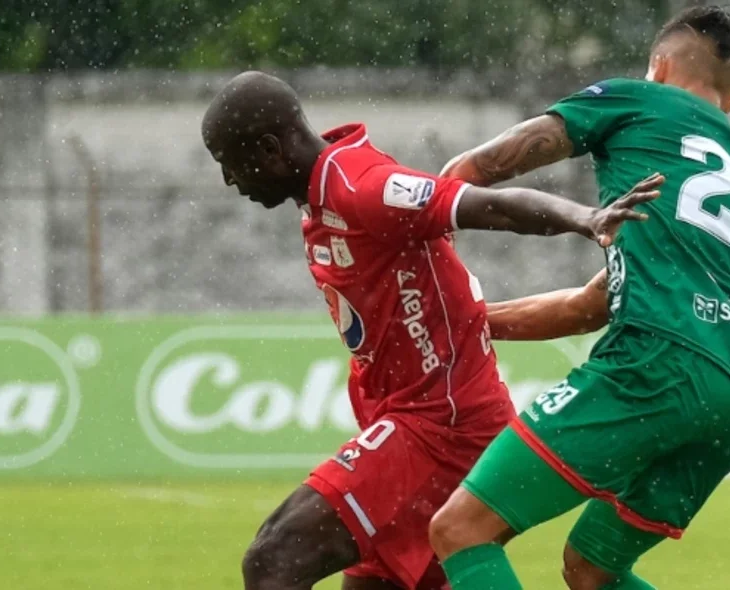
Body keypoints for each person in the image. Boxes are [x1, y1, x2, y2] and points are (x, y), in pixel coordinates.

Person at [201, 71, 661, 590]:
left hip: (441, 430)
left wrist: (586, 217)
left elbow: (489, 206)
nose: (229, 181)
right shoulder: (323, 198)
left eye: (230, 163)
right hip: (422, 425)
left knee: (273, 559)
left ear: (269, 149)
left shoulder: (360, 187)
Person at [427, 6, 730, 590]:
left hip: (658, 362)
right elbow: (592, 304)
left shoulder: (635, 98)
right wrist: (469, 322)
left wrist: (419, 207)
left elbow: (480, 167)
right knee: (593, 568)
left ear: (658, 68)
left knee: (461, 530)